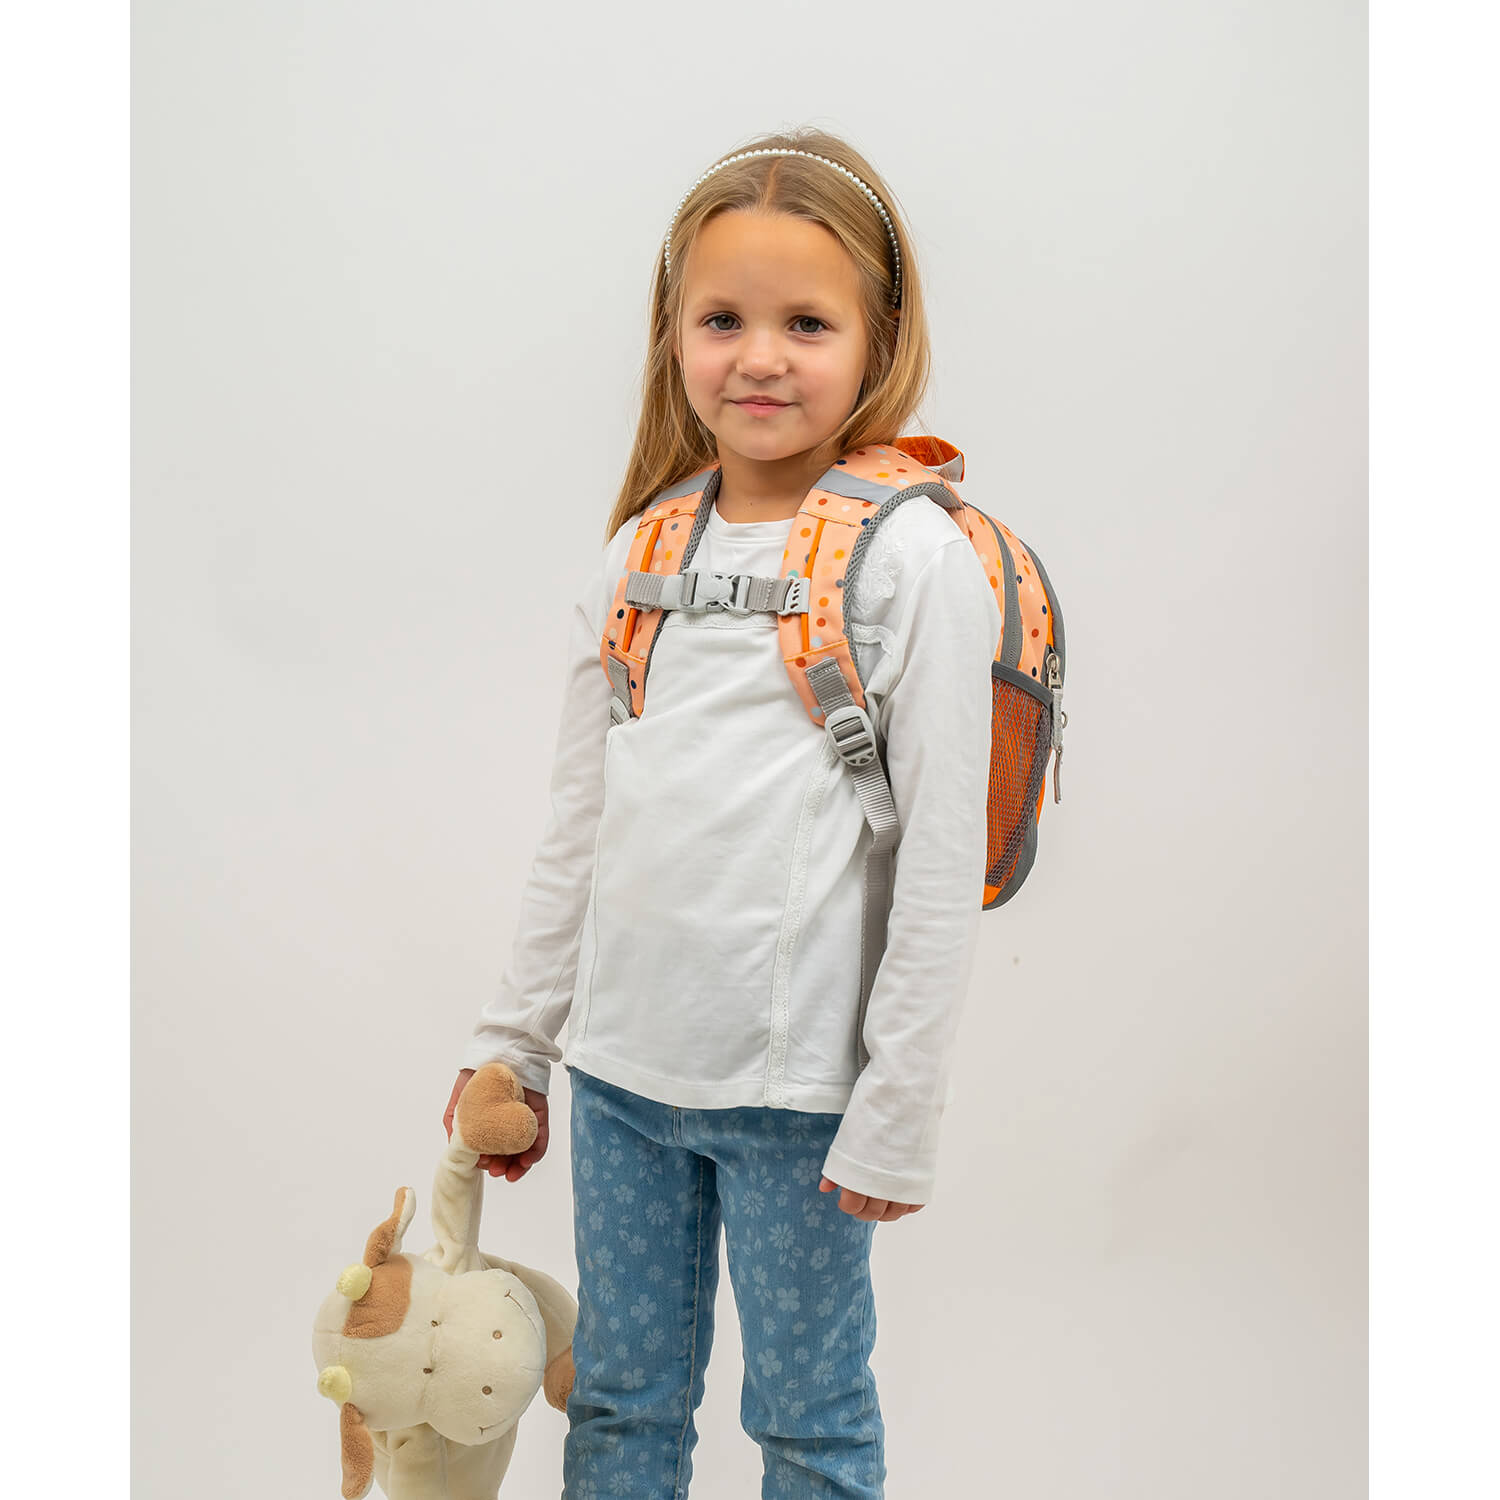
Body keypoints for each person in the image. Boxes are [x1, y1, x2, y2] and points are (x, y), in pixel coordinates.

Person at [442, 126, 1001, 1499]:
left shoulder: (916, 562)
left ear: (879, 339)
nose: (760, 358)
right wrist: (514, 1042)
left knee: (808, 1418)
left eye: (807, 323)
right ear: (673, 334)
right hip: (622, 1079)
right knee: (619, 1404)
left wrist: (899, 1106)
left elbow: (937, 864)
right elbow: (579, 830)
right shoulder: (641, 551)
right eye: (722, 320)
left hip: (796, 1100)